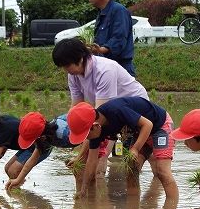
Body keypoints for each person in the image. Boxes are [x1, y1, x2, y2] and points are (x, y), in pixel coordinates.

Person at [52, 38, 148, 175]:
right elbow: (76, 107)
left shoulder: (105, 70)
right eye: (63, 67)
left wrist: (80, 154)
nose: (65, 70)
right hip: (110, 112)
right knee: (91, 159)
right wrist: (74, 136)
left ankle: (107, 192)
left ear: (80, 58)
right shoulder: (73, 74)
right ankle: (94, 193)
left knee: (106, 159)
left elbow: (98, 119)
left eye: (67, 65)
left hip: (135, 109)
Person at [66, 97, 177, 198]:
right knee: (132, 169)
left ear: (95, 126)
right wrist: (83, 190)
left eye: (86, 135)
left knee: (162, 171)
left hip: (160, 126)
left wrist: (136, 148)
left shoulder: (117, 110)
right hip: (141, 132)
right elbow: (91, 160)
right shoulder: (96, 130)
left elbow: (148, 124)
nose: (87, 139)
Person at [0, 103, 54, 185]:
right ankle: (18, 189)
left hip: (41, 146)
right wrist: (3, 150)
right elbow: (11, 136)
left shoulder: (2, 133)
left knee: (13, 170)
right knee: (7, 168)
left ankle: (21, 193)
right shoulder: (4, 120)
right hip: (28, 146)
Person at [5, 111, 78, 190]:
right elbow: (32, 160)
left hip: (89, 135)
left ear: (41, 137)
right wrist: (18, 180)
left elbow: (88, 138)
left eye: (32, 141)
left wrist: (78, 157)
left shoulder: (64, 135)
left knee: (80, 170)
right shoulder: (44, 136)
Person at [87, 0, 136, 76]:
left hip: (120, 69)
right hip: (104, 68)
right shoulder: (101, 13)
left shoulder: (119, 11)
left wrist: (101, 50)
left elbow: (119, 39)